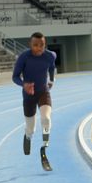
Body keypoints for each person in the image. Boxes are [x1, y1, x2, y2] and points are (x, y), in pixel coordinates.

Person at [12, 32, 56, 167]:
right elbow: (15, 77)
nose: (39, 48)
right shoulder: (24, 57)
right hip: (29, 95)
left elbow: (52, 68)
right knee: (31, 128)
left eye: (42, 45)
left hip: (43, 92)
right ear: (30, 45)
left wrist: (52, 80)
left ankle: (44, 146)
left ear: (45, 45)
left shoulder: (50, 55)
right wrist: (24, 85)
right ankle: (27, 136)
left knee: (46, 118)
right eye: (35, 45)